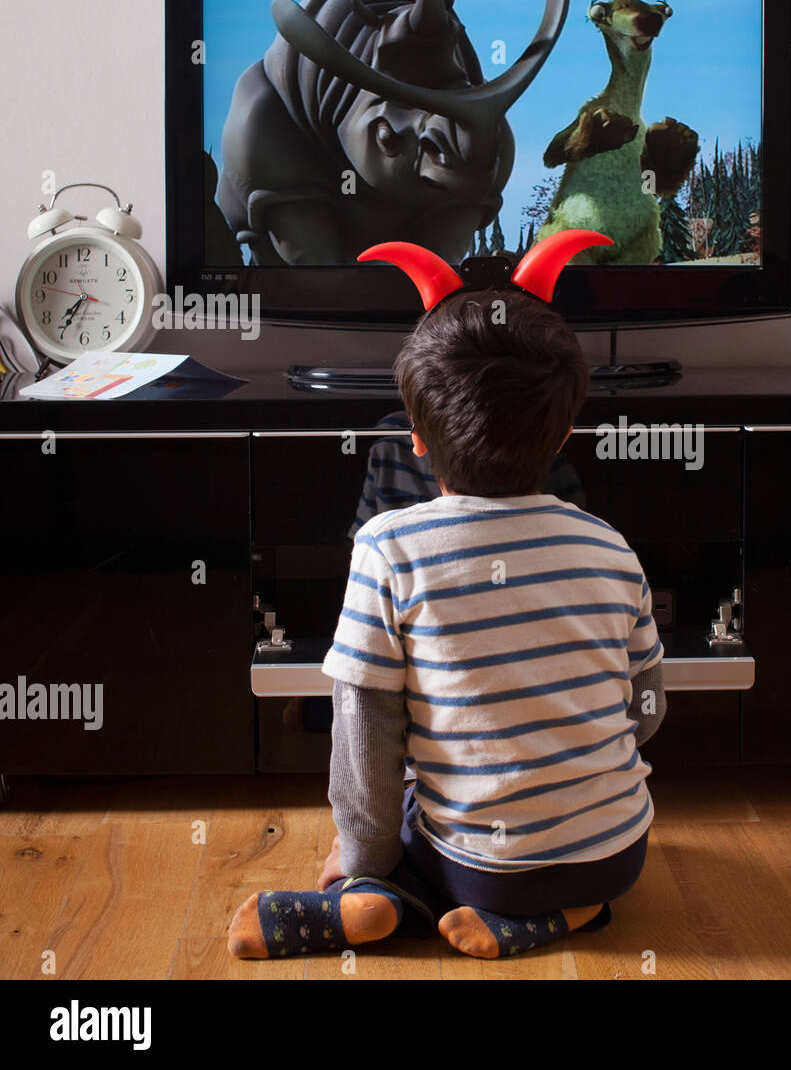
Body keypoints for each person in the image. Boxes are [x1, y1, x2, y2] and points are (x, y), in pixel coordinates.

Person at [228, 261, 664, 960]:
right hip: (618, 853)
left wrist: (363, 852)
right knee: (548, 849)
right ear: (561, 438)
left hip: (476, 863)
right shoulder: (610, 546)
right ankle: (564, 912)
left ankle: (381, 899)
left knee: (404, 800)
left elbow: (363, 727)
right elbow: (646, 706)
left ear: (417, 439)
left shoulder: (389, 546)